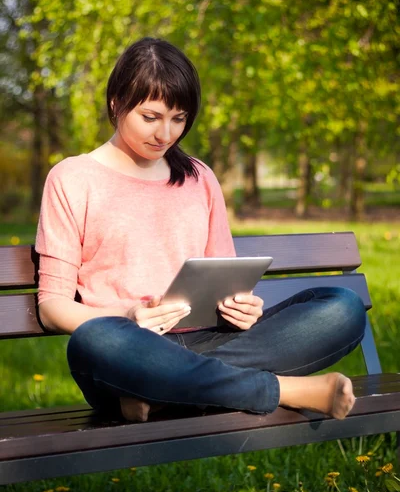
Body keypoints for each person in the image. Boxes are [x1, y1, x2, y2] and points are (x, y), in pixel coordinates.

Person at [36, 37, 366, 423]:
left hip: (209, 338)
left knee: (342, 307)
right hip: (130, 347)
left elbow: (224, 280)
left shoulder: (199, 177)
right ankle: (283, 389)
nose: (165, 134)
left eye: (179, 119)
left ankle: (162, 394)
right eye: (150, 117)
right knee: (94, 340)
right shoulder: (72, 179)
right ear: (116, 103)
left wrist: (240, 308)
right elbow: (51, 307)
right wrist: (127, 315)